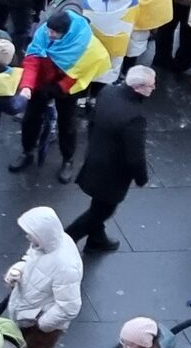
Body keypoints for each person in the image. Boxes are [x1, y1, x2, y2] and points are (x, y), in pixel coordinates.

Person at [61, 67, 153, 252]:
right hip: (113, 173)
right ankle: (64, 240)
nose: (154, 88)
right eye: (151, 85)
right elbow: (135, 156)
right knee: (102, 211)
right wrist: (141, 179)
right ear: (139, 88)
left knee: (98, 204)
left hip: (95, 157)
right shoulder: (135, 117)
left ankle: (97, 239)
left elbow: (92, 121)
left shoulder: (108, 91)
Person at [0, 207, 82, 348]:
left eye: (31, 234)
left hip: (36, 324)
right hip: (27, 312)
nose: (27, 237)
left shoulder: (66, 266)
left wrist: (42, 324)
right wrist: (18, 270)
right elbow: (30, 260)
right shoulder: (44, 243)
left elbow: (69, 307)